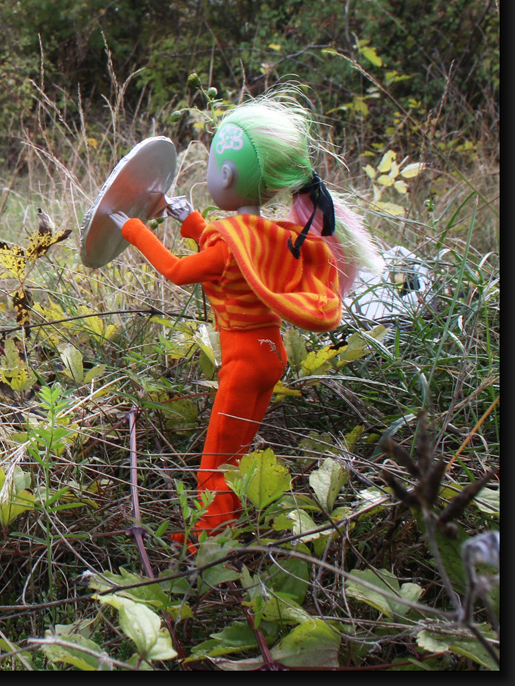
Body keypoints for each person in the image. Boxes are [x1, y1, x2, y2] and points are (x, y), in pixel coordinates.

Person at [109, 92, 380, 540]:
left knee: (216, 459)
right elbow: (237, 249)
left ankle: (209, 543)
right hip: (271, 356)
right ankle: (225, 524)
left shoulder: (229, 240)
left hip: (242, 363)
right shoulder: (279, 232)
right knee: (237, 449)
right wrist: (188, 219)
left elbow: (180, 271)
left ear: (227, 174)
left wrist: (131, 228)